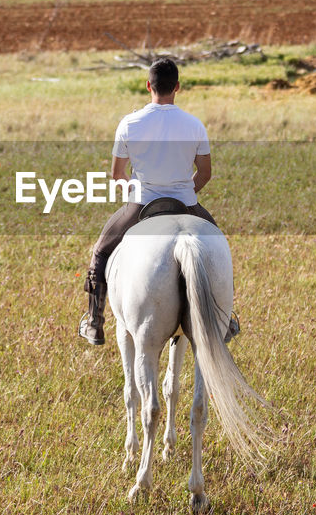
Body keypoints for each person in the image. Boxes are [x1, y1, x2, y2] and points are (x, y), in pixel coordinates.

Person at [79, 57, 234, 345]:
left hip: (141, 204)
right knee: (218, 246)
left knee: (101, 252)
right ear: (177, 87)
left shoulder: (130, 123)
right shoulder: (194, 124)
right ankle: (227, 320)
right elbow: (205, 172)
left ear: (148, 85)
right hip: (185, 203)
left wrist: (136, 191)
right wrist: (185, 193)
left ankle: (94, 322)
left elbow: (117, 174)